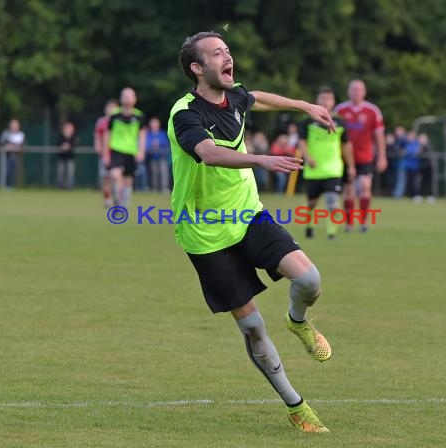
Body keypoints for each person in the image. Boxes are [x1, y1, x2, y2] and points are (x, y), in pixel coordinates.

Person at [168, 31, 337, 433]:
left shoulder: (235, 96)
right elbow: (207, 154)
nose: (228, 57)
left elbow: (255, 96)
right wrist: (261, 158)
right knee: (252, 326)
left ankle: (298, 321)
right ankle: (296, 407)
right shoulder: (185, 113)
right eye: (216, 53)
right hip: (204, 233)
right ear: (197, 68)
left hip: (248, 215)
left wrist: (304, 105)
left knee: (310, 279)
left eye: (227, 50)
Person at [298, 86, 354, 239]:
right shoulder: (307, 121)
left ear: (333, 101)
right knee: (312, 203)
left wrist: (351, 166)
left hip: (333, 168)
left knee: (332, 201)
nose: (326, 102)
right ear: (317, 100)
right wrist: (308, 157)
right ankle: (309, 227)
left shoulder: (340, 122)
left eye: (329, 99)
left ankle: (331, 233)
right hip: (313, 169)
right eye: (323, 98)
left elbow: (345, 145)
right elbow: (301, 141)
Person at [335, 80, 387, 232]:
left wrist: (382, 156)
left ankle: (363, 222)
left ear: (364, 92)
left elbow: (379, 135)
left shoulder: (372, 111)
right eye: (353, 89)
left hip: (365, 157)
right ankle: (349, 223)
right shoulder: (340, 110)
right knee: (349, 190)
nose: (356, 92)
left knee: (365, 186)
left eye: (359, 90)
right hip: (345, 157)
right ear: (348, 91)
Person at [104, 88, 146, 208]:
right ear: (121, 98)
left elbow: (142, 134)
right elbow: (108, 133)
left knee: (128, 180)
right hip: (116, 149)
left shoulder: (139, 116)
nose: (127, 98)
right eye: (125, 96)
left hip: (131, 151)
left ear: (134, 99)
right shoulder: (114, 114)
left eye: (130, 96)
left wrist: (141, 151)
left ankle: (124, 205)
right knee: (114, 175)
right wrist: (106, 152)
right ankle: (117, 200)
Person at [94, 99, 118, 207]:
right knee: (106, 178)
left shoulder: (119, 121)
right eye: (109, 107)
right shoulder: (101, 122)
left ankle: (118, 199)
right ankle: (107, 199)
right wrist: (98, 146)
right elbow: (97, 135)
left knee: (117, 177)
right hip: (105, 154)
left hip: (117, 153)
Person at [145, 117, 171, 193]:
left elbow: (166, 143)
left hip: (162, 156)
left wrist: (158, 143)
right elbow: (146, 145)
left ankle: (164, 188)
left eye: (156, 123)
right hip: (152, 157)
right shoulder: (148, 134)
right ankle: (154, 188)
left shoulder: (162, 133)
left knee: (164, 172)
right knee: (154, 173)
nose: (154, 125)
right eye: (153, 123)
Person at [0, 119, 25, 189]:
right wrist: (7, 146)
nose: (14, 126)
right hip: (6, 155)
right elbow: (2, 142)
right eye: (13, 124)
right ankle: (4, 185)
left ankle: (11, 186)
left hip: (16, 156)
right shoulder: (6, 133)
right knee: (6, 171)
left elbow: (22, 145)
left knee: (13, 171)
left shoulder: (21, 134)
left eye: (16, 125)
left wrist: (18, 147)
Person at [57, 122, 79, 189]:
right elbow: (58, 143)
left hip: (70, 158)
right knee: (61, 173)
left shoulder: (74, 137)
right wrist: (63, 146)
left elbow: (75, 143)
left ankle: (70, 187)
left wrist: (69, 146)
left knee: (70, 173)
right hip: (62, 158)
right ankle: (61, 187)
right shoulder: (61, 136)